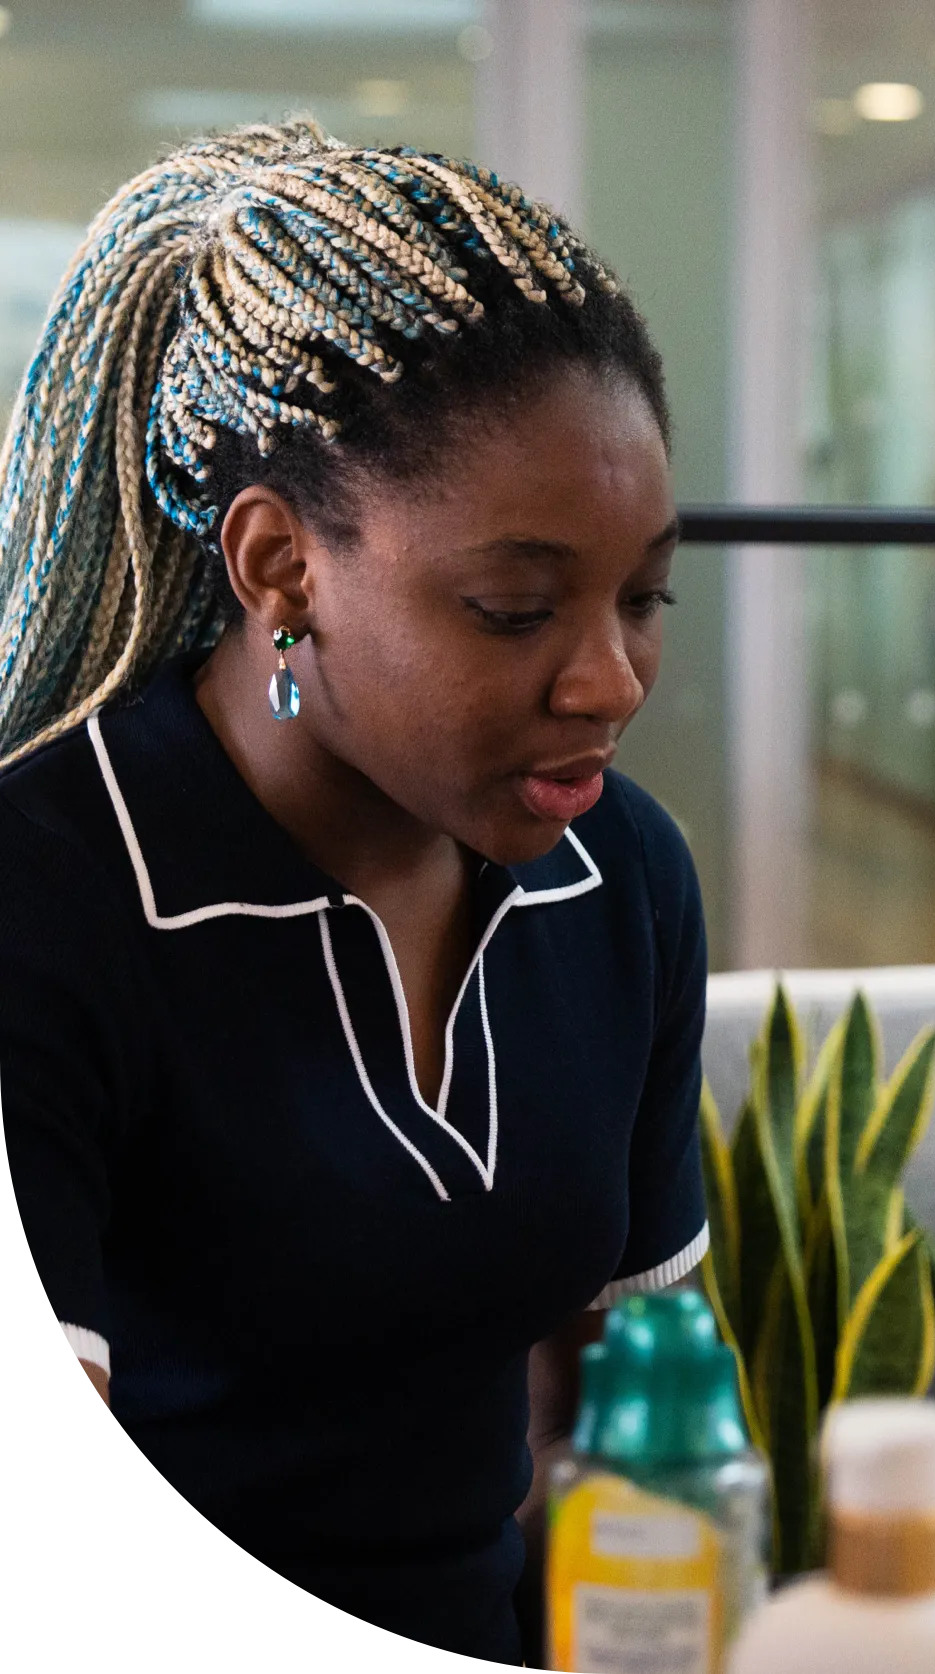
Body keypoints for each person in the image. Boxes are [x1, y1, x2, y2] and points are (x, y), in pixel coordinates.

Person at [0, 121, 707, 1667]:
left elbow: (635, 1413)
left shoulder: (619, 875)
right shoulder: (54, 899)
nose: (611, 678)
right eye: (516, 607)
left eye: (646, 594)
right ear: (280, 568)